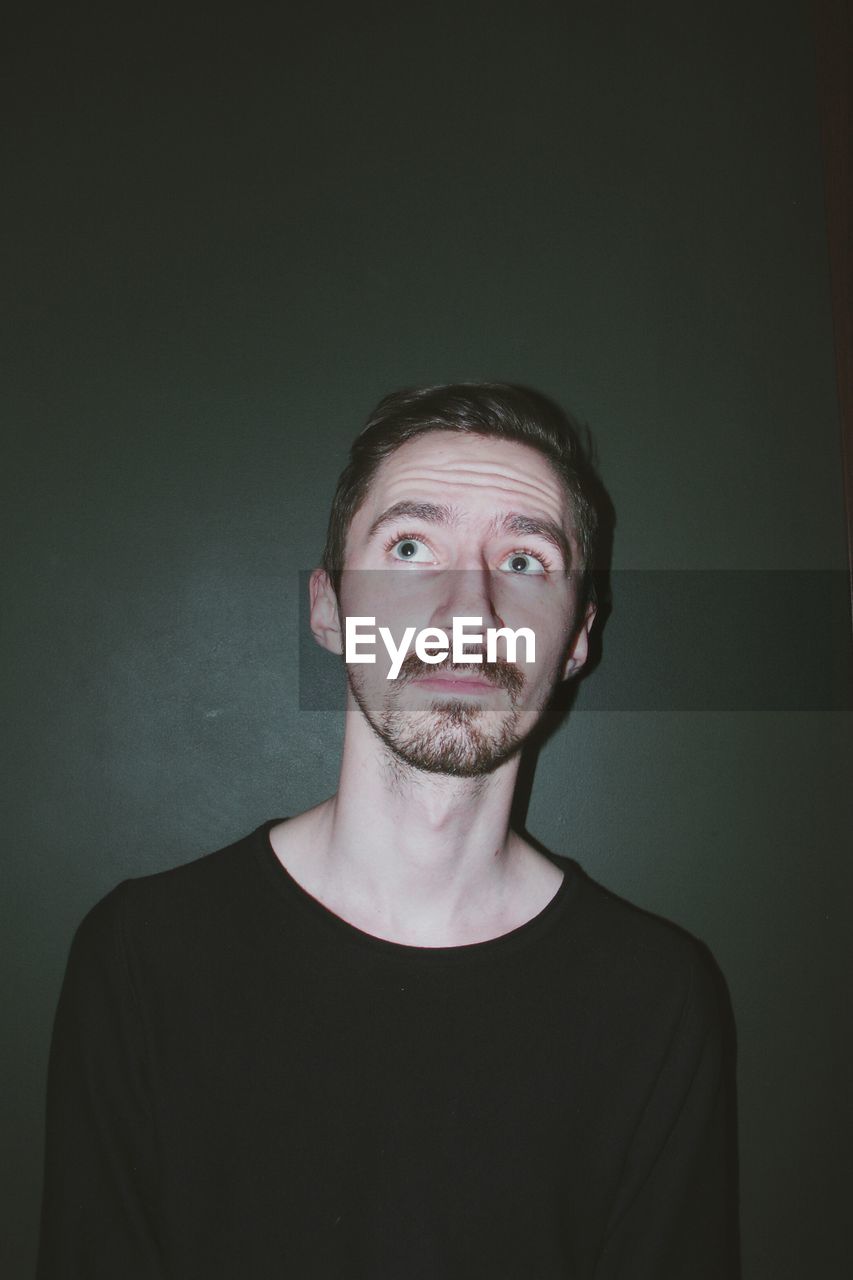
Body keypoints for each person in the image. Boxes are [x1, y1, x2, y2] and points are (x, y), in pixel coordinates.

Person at [37, 384, 737, 1278]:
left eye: (524, 561)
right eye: (411, 548)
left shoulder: (657, 998)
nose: (467, 612)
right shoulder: (141, 956)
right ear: (328, 609)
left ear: (575, 640)